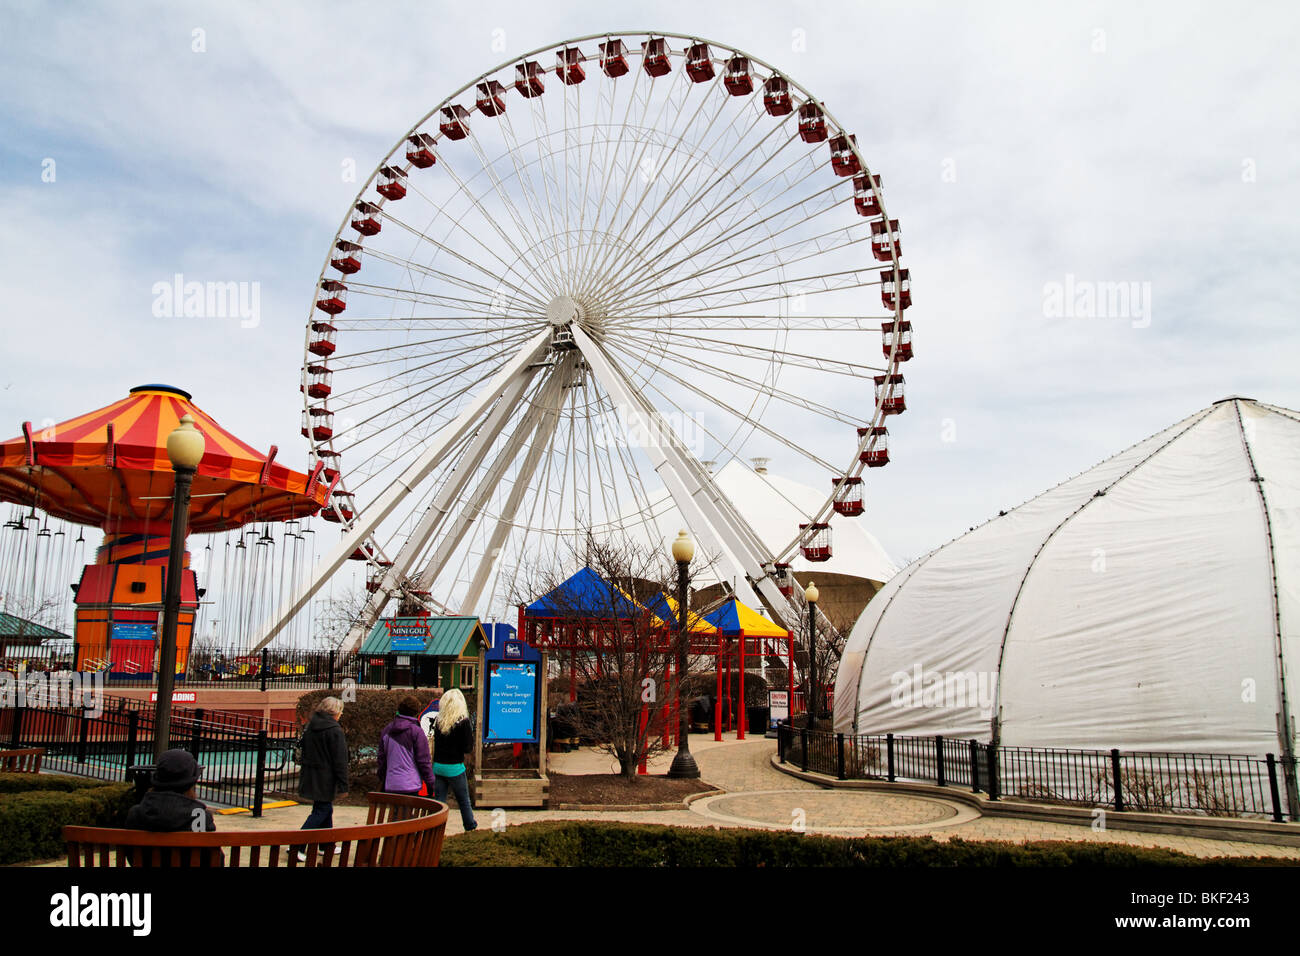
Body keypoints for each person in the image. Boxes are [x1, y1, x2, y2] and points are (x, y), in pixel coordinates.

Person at [295, 696, 348, 859]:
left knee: (324, 809)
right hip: (326, 777)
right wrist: (343, 784)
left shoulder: (311, 726)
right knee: (322, 810)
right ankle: (298, 845)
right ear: (336, 713)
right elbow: (340, 760)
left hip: (310, 774)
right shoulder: (334, 730)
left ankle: (326, 845)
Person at [124, 748, 216, 832]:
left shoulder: (136, 814)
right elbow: (212, 850)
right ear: (190, 784)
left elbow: (127, 849)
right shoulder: (201, 818)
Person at [430, 688, 477, 831]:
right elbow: (467, 748)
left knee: (439, 801)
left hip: (438, 766)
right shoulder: (463, 722)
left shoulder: (439, 720)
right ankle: (470, 826)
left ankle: (435, 828)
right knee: (463, 800)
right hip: (455, 767)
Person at [378, 695, 435, 796]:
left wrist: (383, 778)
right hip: (411, 785)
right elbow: (424, 762)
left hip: (391, 784)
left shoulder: (387, 730)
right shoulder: (417, 732)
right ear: (416, 711)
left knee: (396, 811)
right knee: (408, 811)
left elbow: (381, 759)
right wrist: (431, 784)